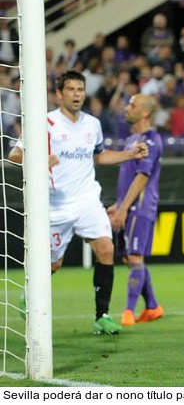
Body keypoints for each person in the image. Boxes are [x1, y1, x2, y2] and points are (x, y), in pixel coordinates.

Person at [8, 71, 149, 334]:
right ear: (59, 94)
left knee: (106, 249)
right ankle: (30, 294)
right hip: (55, 206)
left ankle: (102, 316)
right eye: (71, 89)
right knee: (52, 265)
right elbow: (15, 155)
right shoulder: (45, 123)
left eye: (80, 89)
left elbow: (100, 156)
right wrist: (37, 160)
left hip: (87, 201)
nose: (76, 94)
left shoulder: (92, 124)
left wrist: (130, 154)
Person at [109, 94, 165, 326]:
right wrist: (118, 204)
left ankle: (128, 312)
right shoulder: (133, 139)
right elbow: (128, 176)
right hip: (127, 205)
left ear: (144, 112)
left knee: (134, 256)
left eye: (132, 105)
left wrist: (123, 209)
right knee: (130, 258)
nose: (127, 107)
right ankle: (152, 306)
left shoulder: (151, 141)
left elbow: (142, 178)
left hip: (140, 207)